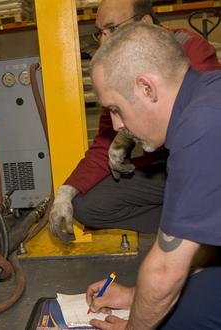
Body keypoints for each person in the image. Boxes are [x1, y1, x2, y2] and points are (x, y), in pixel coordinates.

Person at [85, 21, 221, 329]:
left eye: (116, 109)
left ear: (147, 88)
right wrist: (135, 297)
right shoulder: (207, 96)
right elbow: (204, 238)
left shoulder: (201, 127)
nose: (117, 125)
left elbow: (165, 272)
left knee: (173, 318)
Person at [49, 0, 221, 242]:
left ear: (145, 23)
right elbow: (104, 143)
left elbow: (203, 122)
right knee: (88, 205)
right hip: (164, 170)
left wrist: (130, 135)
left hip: (202, 163)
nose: (104, 41)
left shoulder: (187, 48)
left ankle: (194, 231)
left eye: (113, 28)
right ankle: (186, 230)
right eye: (100, 32)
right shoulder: (116, 72)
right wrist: (66, 192)